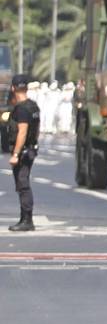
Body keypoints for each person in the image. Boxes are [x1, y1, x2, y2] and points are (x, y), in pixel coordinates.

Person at [7, 75, 41, 232]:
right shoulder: (33, 106)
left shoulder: (21, 108)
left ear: (13, 88)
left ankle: (27, 220)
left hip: (23, 151)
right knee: (23, 182)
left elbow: (22, 132)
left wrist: (15, 154)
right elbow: (36, 129)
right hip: (31, 149)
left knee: (23, 184)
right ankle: (24, 218)